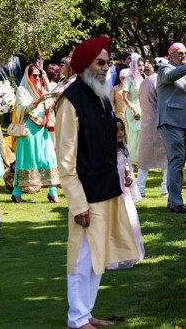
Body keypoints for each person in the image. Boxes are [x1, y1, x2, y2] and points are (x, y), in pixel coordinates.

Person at [54, 36, 139, 329]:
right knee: (81, 258)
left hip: (107, 189)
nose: (106, 68)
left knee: (97, 256)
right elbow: (65, 159)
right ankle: (76, 319)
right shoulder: (70, 101)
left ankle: (86, 313)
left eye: (107, 62)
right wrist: (77, 203)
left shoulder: (101, 95)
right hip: (86, 195)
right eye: (100, 62)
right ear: (84, 65)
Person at [157, 43, 186, 213]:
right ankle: (176, 202)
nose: (184, 56)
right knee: (176, 159)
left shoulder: (185, 71)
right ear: (171, 55)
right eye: (180, 53)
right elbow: (169, 77)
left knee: (178, 161)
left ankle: (172, 200)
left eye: (185, 53)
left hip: (185, 122)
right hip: (170, 121)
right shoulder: (164, 68)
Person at [11, 63, 60, 203]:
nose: (38, 78)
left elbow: (53, 100)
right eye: (35, 76)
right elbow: (22, 109)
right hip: (28, 130)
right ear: (28, 76)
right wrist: (38, 101)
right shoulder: (22, 90)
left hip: (42, 129)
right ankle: (16, 192)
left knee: (50, 158)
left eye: (40, 76)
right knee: (26, 161)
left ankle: (53, 192)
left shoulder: (42, 89)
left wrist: (46, 80)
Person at [106, 118, 145, 270]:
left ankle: (128, 254)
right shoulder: (107, 153)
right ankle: (113, 257)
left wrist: (129, 178)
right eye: (116, 130)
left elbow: (127, 170)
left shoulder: (123, 150)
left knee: (129, 223)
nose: (120, 133)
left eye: (122, 129)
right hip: (112, 194)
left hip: (124, 194)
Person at [136, 61, 169, 197]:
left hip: (146, 122)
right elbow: (164, 102)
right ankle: (165, 188)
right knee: (167, 157)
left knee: (144, 158)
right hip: (160, 122)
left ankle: (140, 189)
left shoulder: (144, 82)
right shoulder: (161, 81)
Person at [122, 54, 145, 172]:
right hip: (132, 110)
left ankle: (140, 160)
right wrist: (133, 109)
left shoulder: (143, 79)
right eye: (139, 65)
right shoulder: (128, 79)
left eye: (143, 65)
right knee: (133, 135)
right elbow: (124, 98)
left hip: (143, 109)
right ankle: (133, 161)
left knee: (142, 135)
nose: (141, 68)